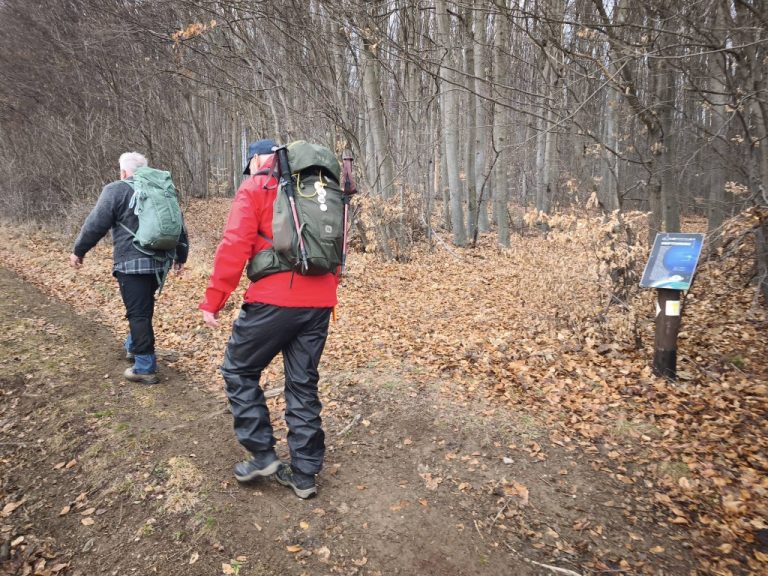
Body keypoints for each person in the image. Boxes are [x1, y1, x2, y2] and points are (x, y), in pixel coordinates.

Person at [199, 139, 338, 499]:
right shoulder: (324, 189)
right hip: (321, 300)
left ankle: (262, 453)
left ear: (259, 159)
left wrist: (213, 300)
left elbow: (234, 243)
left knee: (238, 369)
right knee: (302, 383)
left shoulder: (258, 185)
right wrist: (326, 290)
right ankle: (305, 474)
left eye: (251, 164)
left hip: (273, 301)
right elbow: (337, 245)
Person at [69, 151, 188, 385]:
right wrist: (181, 256)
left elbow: (95, 224)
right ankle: (133, 346)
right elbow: (179, 225)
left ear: (124, 171)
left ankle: (144, 366)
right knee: (142, 309)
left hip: (130, 264)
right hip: (159, 263)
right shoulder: (162, 191)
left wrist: (79, 250)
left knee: (139, 314)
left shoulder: (116, 189)